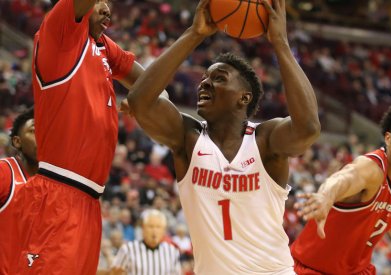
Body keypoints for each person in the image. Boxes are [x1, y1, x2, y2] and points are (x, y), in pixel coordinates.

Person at [127, 0, 320, 273]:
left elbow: (309, 128)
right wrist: (194, 34)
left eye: (219, 78)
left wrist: (281, 44)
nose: (204, 83)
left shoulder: (264, 140)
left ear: (244, 97)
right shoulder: (188, 138)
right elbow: (140, 102)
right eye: (204, 78)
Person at [12, 0, 148, 273]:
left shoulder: (102, 46)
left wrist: (195, 34)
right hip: (58, 195)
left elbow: (151, 84)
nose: (107, 8)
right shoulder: (59, 33)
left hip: (90, 202)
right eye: (99, 1)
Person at [292, 97, 391, 274]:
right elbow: (344, 178)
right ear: (388, 138)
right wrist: (326, 196)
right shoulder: (371, 169)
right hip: (311, 269)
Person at [0, 107, 37, 275]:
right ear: (17, 142)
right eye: (34, 130)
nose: (43, 135)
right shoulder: (5, 172)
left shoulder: (57, 187)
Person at [111, 209, 181, 275]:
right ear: (143, 228)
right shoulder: (128, 249)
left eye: (158, 227)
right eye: (151, 226)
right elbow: (114, 272)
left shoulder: (172, 251)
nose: (154, 231)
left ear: (164, 231)